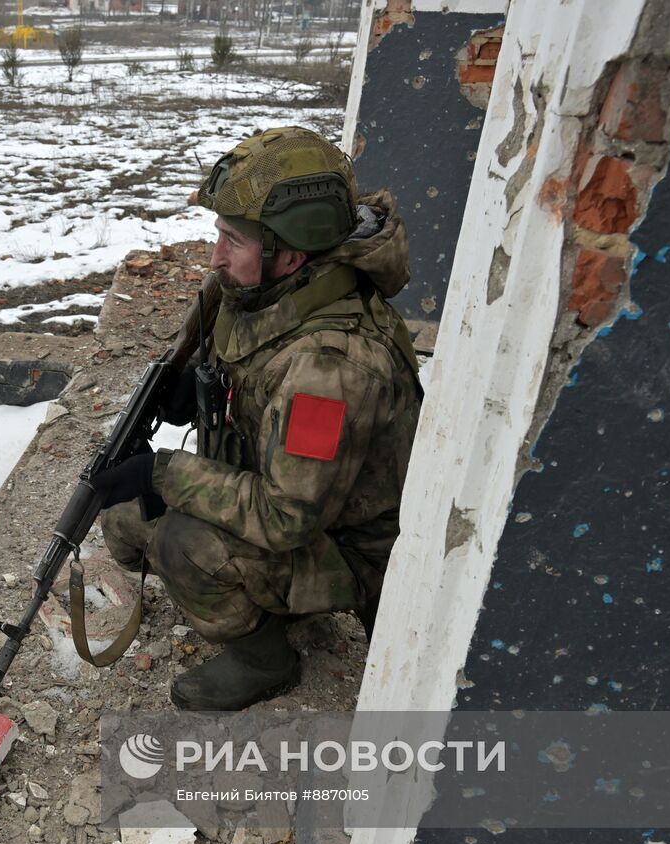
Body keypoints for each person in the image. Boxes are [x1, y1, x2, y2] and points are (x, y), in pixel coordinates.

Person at [89, 126, 423, 711]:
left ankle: (267, 659)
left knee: (182, 542)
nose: (215, 256)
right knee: (123, 517)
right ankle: (248, 599)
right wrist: (191, 390)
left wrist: (165, 474)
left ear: (290, 253)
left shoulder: (331, 368)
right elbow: (235, 362)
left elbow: (286, 516)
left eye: (233, 241)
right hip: (288, 488)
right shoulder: (263, 289)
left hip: (341, 543)